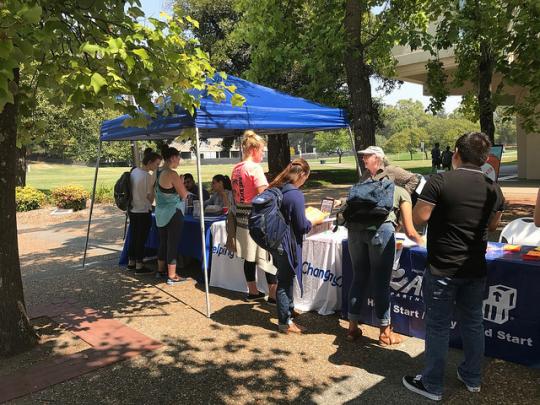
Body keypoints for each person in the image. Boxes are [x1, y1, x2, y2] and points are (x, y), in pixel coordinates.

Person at [403, 132, 505, 401]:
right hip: (474, 268)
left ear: (457, 152)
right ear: (484, 159)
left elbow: (420, 217)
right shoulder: (493, 188)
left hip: (442, 268)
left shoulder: (440, 181)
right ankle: (472, 377)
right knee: (473, 322)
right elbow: (493, 225)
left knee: (437, 325)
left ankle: (433, 383)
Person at [347, 146, 423, 345]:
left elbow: (415, 178)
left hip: (361, 230)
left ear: (378, 158)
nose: (363, 159)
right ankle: (380, 332)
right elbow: (411, 231)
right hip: (372, 231)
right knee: (375, 280)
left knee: (362, 278)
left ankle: (357, 327)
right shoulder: (364, 176)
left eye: (367, 156)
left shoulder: (394, 174)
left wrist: (398, 197)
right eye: (362, 156)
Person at [231, 130, 277, 302]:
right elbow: (264, 197)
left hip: (242, 218)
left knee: (249, 256)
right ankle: (273, 294)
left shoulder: (236, 168)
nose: (263, 155)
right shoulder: (254, 168)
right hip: (258, 218)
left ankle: (253, 291)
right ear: (253, 149)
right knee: (267, 256)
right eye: (262, 151)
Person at [268, 159, 313, 333]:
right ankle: (285, 322)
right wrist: (312, 222)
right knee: (285, 281)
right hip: (287, 243)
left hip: (275, 241)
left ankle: (289, 309)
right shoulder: (295, 194)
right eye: (306, 178)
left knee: (286, 277)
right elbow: (302, 226)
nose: (305, 181)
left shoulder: (278, 188)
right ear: (301, 175)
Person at [155, 147, 190, 285]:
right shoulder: (172, 173)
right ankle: (172, 275)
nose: (179, 161)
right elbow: (184, 195)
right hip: (173, 212)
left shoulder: (157, 172)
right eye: (179, 157)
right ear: (173, 158)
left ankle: (160, 270)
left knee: (163, 242)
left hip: (160, 212)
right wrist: (180, 182)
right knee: (172, 244)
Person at [127, 149, 162, 274]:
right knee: (141, 238)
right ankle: (139, 265)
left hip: (132, 208)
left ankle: (131, 262)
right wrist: (153, 187)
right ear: (151, 162)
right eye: (157, 164)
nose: (157, 167)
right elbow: (150, 197)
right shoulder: (147, 176)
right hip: (143, 210)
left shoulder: (135, 171)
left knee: (134, 236)